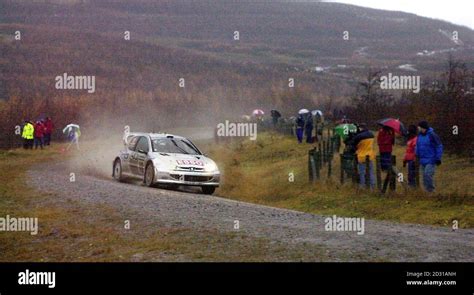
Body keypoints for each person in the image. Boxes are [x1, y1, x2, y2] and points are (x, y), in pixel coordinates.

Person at [415, 121, 443, 192]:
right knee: (424, 176)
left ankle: (431, 191)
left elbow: (439, 146)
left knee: (428, 175)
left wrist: (438, 158)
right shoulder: (419, 136)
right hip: (422, 160)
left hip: (431, 159)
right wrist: (416, 154)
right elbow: (417, 146)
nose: (418, 128)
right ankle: (427, 191)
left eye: (419, 127)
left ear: (422, 127)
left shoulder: (432, 135)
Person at [353, 123, 376, 188]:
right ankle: (372, 185)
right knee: (371, 171)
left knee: (362, 172)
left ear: (360, 128)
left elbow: (354, 145)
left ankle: (362, 185)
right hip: (370, 155)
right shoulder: (371, 135)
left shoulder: (359, 136)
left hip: (361, 156)